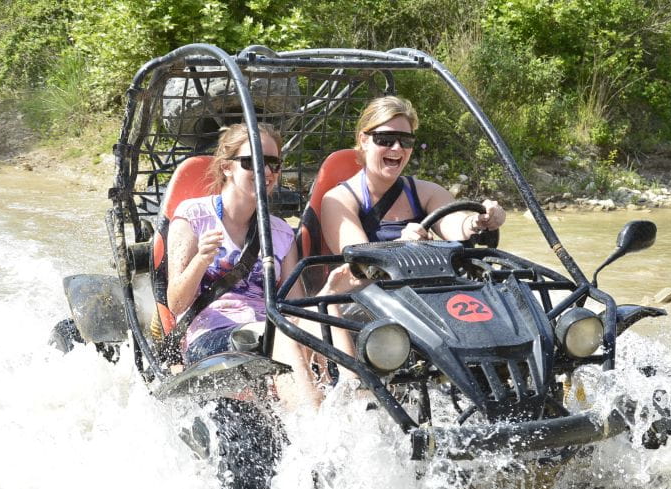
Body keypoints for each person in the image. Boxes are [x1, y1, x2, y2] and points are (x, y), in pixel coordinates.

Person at [166, 122, 320, 407]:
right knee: (284, 339)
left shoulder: (281, 232)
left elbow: (295, 303)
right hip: (211, 336)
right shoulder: (194, 216)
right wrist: (201, 259)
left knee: (323, 333)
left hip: (268, 328)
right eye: (254, 163)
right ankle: (313, 432)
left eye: (273, 164)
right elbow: (175, 303)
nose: (267, 173)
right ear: (227, 167)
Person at [319, 95, 506, 254]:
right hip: (369, 294)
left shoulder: (427, 193)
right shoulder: (338, 201)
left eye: (406, 141)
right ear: (364, 140)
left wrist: (478, 221)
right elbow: (357, 263)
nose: (397, 148)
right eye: (385, 139)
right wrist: (400, 247)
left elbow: (455, 224)